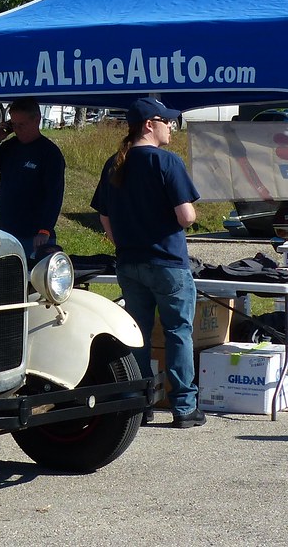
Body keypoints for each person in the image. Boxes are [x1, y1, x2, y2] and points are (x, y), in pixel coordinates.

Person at [90, 96, 206, 429]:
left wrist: (120, 238)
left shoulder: (115, 162)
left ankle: (140, 404)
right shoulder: (167, 162)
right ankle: (184, 408)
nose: (171, 126)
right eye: (166, 121)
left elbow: (104, 215)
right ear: (149, 125)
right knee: (178, 333)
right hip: (168, 263)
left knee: (137, 334)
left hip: (129, 262)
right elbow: (185, 217)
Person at [0, 97, 65, 260]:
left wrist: (45, 230)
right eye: (14, 125)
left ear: (36, 120)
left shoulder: (50, 153)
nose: (17, 129)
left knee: (33, 283)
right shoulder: (10, 146)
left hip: (34, 236)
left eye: (22, 125)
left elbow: (54, 196)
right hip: (5, 232)